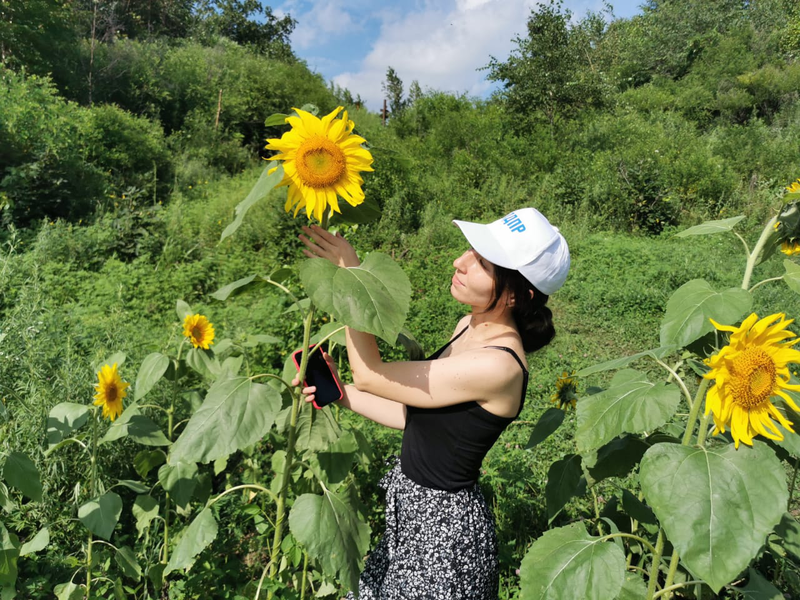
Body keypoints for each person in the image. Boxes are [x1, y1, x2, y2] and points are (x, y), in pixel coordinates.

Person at [294, 208, 570, 599]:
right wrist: (342, 394)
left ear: (516, 294)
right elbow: (416, 417)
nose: (460, 262)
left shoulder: (498, 365)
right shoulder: (467, 327)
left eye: (482, 263)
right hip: (410, 514)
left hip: (442, 536)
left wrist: (352, 278)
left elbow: (371, 373)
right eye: (469, 250)